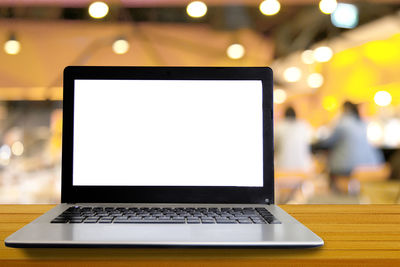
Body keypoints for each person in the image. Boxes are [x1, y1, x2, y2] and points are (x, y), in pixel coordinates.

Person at [315, 101, 383, 188]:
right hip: (367, 166)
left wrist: (316, 143)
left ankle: (335, 194)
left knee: (328, 167)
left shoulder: (343, 122)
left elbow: (328, 141)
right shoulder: (363, 123)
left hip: (344, 167)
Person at [274, 106, 313, 172]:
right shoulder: (304, 125)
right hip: (303, 167)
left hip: (282, 167)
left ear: (284, 115)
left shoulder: (278, 126)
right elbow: (311, 141)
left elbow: (274, 146)